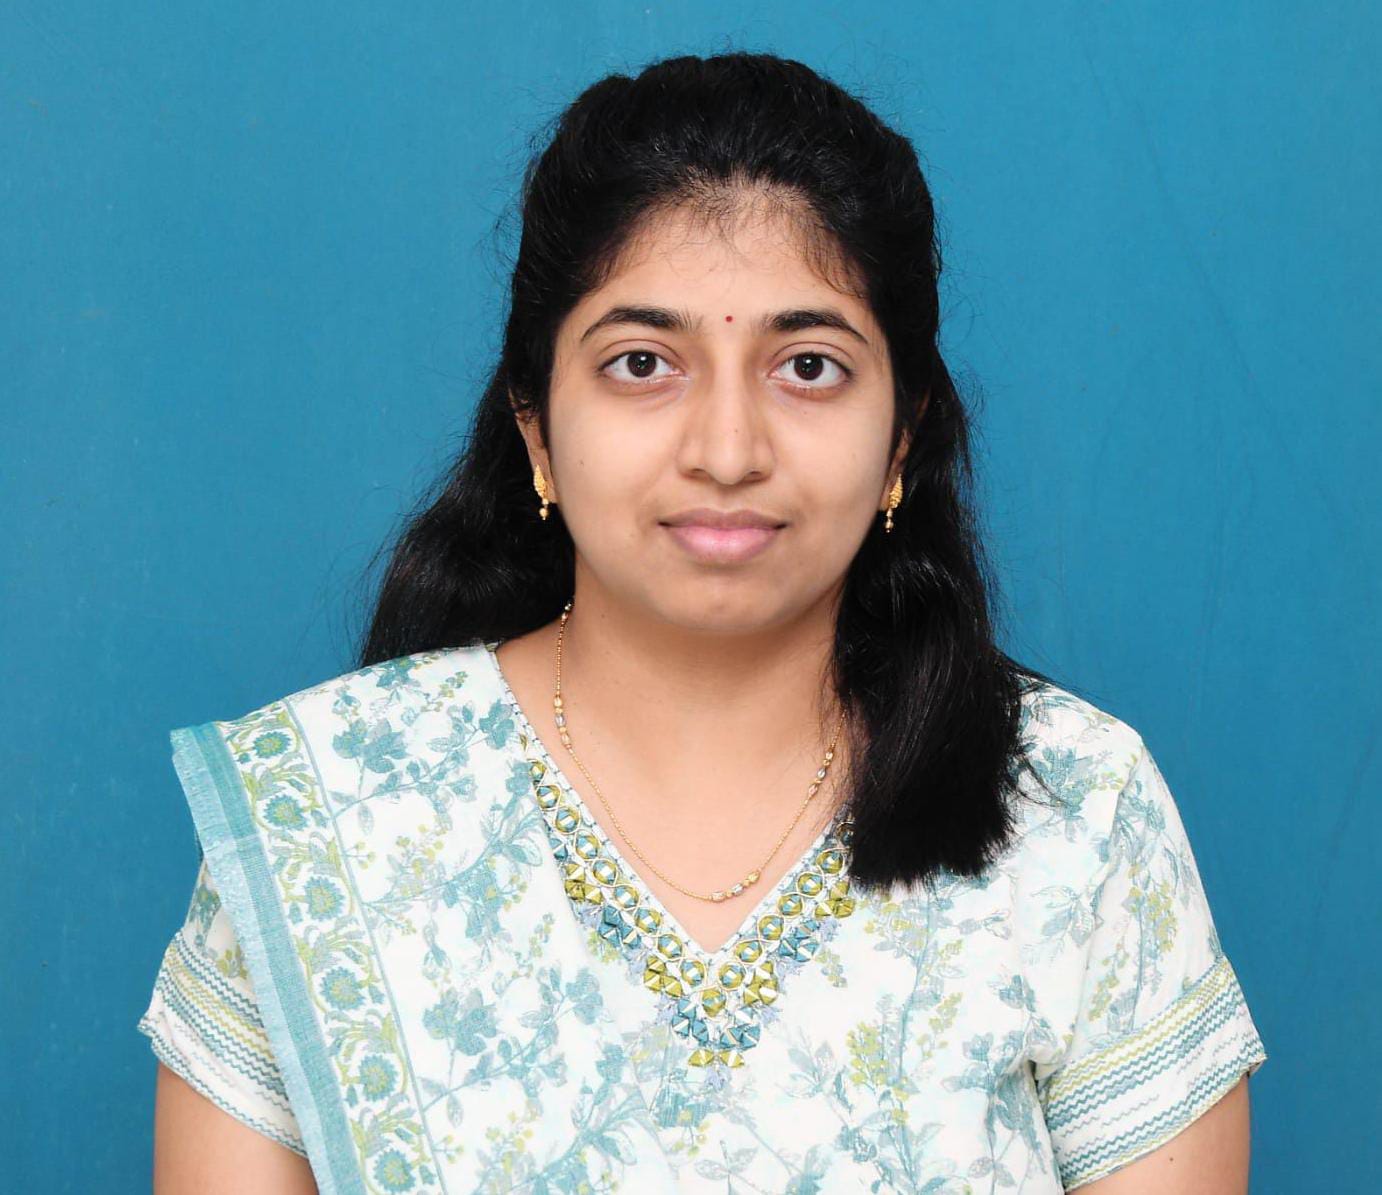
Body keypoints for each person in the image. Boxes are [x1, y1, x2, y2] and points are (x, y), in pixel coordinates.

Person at [137, 50, 1267, 1194]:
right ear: (535, 425)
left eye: (807, 366)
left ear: (902, 436)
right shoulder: (315, 824)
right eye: (642, 363)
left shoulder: (1075, 814)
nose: (726, 451)